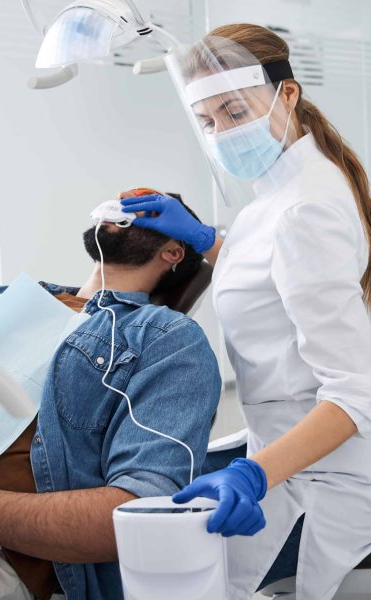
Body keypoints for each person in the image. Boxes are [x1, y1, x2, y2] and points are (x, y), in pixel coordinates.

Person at [121, 25, 371, 600]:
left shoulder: (306, 207)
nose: (222, 134)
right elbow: (278, 274)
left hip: (319, 481)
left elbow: (355, 392)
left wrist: (253, 473)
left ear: (288, 93)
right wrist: (209, 240)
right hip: (284, 457)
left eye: (234, 112)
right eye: (207, 121)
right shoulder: (284, 188)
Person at [0, 188, 221, 600]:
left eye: (146, 210)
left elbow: (137, 510)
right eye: (121, 202)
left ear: (174, 251)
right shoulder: (0, 301)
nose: (123, 208)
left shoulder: (164, 338)